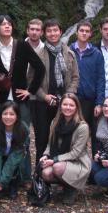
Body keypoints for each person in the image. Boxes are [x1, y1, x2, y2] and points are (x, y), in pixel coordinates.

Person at [0, 14, 45, 124]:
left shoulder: (23, 46)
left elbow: (40, 68)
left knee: (23, 129)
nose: (7, 26)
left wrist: (30, 90)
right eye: (3, 24)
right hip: (0, 97)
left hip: (20, 97)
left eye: (9, 24)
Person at [30, 19, 79, 165]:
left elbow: (76, 78)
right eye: (49, 31)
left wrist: (68, 96)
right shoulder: (38, 54)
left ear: (61, 32)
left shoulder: (69, 53)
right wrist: (44, 96)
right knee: (42, 139)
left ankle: (61, 173)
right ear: (44, 33)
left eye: (55, 30)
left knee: (63, 139)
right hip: (42, 104)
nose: (53, 33)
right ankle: (40, 177)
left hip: (65, 104)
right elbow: (31, 81)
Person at [40, 93, 91, 205]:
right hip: (61, 160)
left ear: (76, 107)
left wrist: (54, 160)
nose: (68, 107)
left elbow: (76, 153)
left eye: (71, 105)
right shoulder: (55, 122)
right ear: (60, 106)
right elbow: (50, 144)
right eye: (65, 104)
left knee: (57, 167)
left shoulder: (82, 127)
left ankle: (71, 189)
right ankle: (66, 184)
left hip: (78, 162)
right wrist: (46, 155)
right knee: (45, 173)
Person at [69, 20, 105, 154]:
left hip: (90, 100)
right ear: (77, 32)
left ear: (90, 34)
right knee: (72, 132)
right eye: (81, 31)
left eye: (87, 31)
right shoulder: (68, 51)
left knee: (94, 134)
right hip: (73, 99)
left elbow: (101, 79)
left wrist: (99, 102)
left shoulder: (96, 54)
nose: (84, 33)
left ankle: (94, 167)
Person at [0, 101, 29, 199]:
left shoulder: (23, 129)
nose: (8, 117)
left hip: (15, 157)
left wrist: (3, 181)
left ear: (17, 116)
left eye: (12, 114)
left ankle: (13, 185)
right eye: (5, 114)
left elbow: (15, 156)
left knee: (18, 161)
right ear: (0, 115)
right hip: (1, 156)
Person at [25, 19, 45, 133]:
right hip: (21, 92)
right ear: (27, 31)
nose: (34, 32)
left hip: (39, 93)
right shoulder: (18, 46)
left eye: (37, 30)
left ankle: (40, 150)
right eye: (32, 29)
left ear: (42, 32)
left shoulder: (45, 49)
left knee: (40, 127)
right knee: (23, 124)